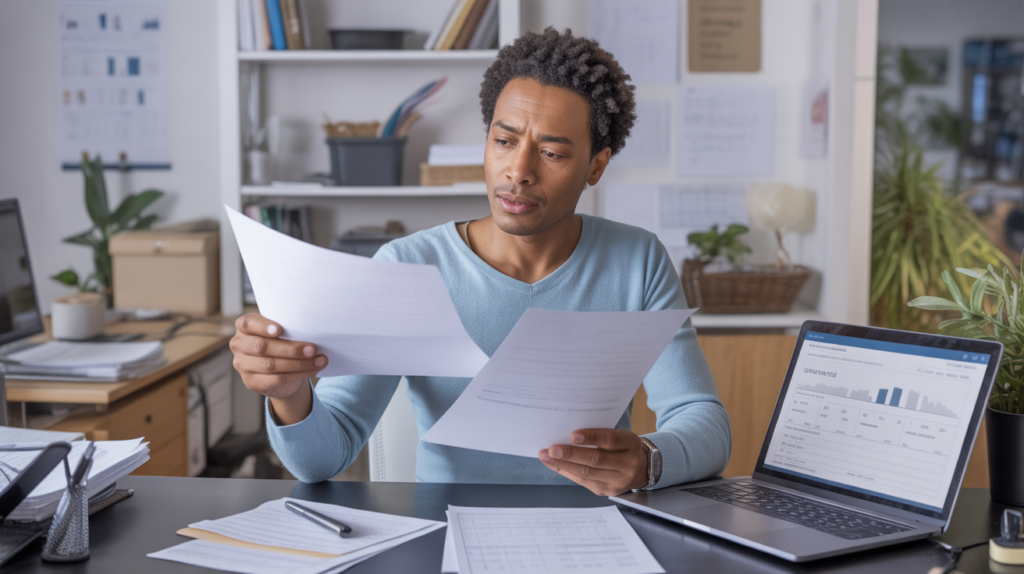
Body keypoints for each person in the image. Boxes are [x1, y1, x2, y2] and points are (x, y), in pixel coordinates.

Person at [230, 28, 731, 496]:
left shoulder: (636, 261)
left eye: (553, 153)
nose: (519, 171)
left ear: (595, 166)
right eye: (505, 140)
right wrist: (290, 393)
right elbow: (321, 459)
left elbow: (704, 422)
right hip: (447, 531)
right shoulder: (407, 266)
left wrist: (649, 459)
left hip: (596, 536)